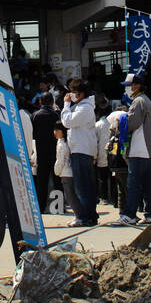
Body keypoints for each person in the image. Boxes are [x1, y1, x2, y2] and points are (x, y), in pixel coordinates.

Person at [115, 72, 151, 226]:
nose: (128, 89)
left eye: (130, 86)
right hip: (147, 150)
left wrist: (122, 119)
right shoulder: (146, 100)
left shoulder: (138, 102)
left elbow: (132, 123)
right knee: (147, 184)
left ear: (137, 85)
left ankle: (130, 215)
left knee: (133, 184)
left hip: (138, 149)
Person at [60, 79, 99, 227]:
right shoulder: (83, 106)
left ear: (82, 93)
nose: (72, 95)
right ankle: (90, 215)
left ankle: (84, 216)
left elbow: (67, 122)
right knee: (86, 185)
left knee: (82, 186)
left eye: (75, 92)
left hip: (81, 150)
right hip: (81, 149)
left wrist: (66, 105)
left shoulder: (85, 108)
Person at [31, 93, 60, 206]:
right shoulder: (55, 115)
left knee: (41, 180)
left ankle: (41, 206)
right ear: (52, 102)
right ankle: (58, 206)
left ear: (40, 102)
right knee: (57, 178)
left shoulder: (34, 115)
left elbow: (32, 133)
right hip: (54, 149)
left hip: (40, 150)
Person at [54, 125, 80, 218]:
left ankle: (78, 216)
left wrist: (57, 171)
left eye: (57, 130)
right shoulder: (69, 141)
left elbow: (60, 160)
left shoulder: (62, 144)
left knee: (70, 196)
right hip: (72, 171)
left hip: (66, 172)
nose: (55, 132)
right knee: (73, 195)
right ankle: (79, 215)